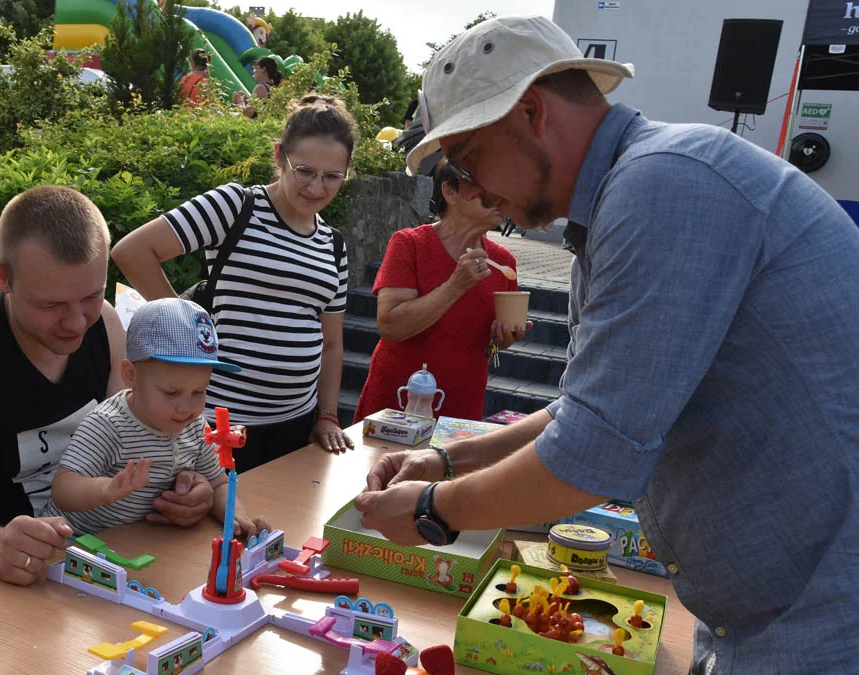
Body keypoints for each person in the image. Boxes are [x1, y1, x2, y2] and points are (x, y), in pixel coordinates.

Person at [354, 16, 859, 674]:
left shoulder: (661, 188)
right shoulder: (632, 194)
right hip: (774, 610)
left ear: (531, 110)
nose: (474, 190)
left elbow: (592, 454)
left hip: (822, 617)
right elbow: (582, 408)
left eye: (470, 158)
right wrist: (448, 462)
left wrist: (432, 510)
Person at [0, 185, 216, 604]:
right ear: (3, 276)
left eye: (91, 295)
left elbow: (138, 437)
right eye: (51, 304)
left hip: (98, 556)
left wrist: (186, 487)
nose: (75, 323)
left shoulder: (105, 325)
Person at [112, 96, 358, 473]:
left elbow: (333, 343)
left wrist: (327, 415)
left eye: (332, 176)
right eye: (305, 171)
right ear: (280, 156)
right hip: (219, 423)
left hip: (296, 425)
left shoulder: (334, 245)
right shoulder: (235, 207)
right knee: (210, 527)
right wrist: (185, 327)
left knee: (277, 530)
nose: (317, 187)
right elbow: (132, 251)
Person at [44, 297, 269, 539]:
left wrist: (238, 519)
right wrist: (106, 489)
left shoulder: (194, 426)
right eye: (171, 393)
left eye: (199, 392)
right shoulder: (109, 424)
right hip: (75, 545)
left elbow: (218, 484)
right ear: (131, 376)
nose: (186, 408)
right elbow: (63, 488)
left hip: (141, 545)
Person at [352, 160, 528, 423]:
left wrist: (501, 339)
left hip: (461, 405)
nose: (501, 200)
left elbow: (490, 341)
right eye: (488, 190)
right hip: (400, 402)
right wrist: (455, 285)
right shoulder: (409, 244)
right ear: (450, 192)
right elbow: (390, 326)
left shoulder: (504, 263)